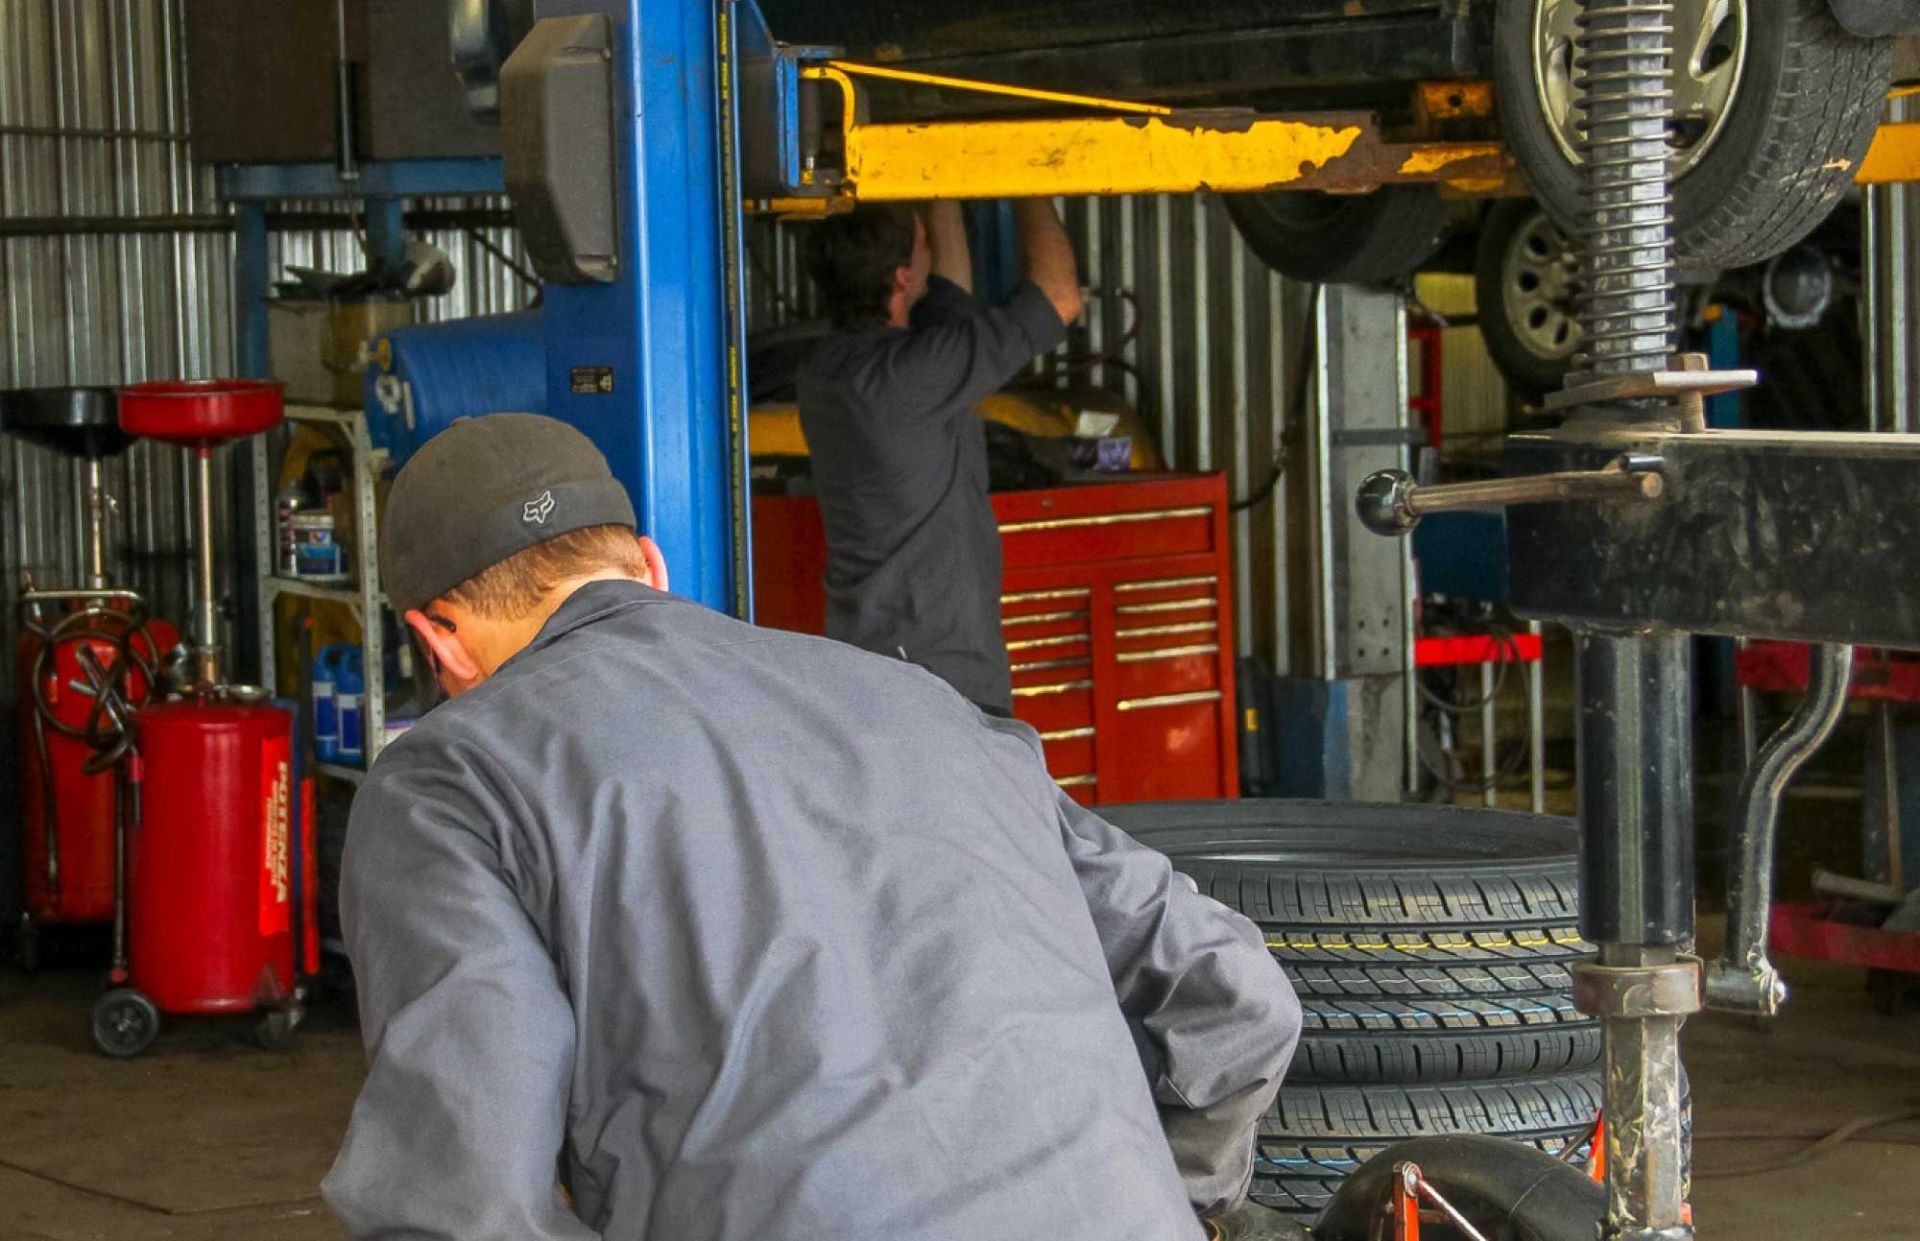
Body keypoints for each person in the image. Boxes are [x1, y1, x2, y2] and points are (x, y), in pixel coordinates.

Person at [321, 413, 1302, 1241]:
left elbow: (458, 1196)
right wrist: (1173, 1199)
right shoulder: (920, 698)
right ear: (648, 562)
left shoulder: (452, 777)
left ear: (437, 633)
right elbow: (1238, 994)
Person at [797, 199, 1081, 715]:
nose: (931, 244)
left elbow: (949, 297)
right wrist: (1030, 181)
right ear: (903, 278)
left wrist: (940, 181)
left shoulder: (828, 373)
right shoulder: (911, 377)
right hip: (934, 671)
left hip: (879, 654)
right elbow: (1059, 297)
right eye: (922, 241)